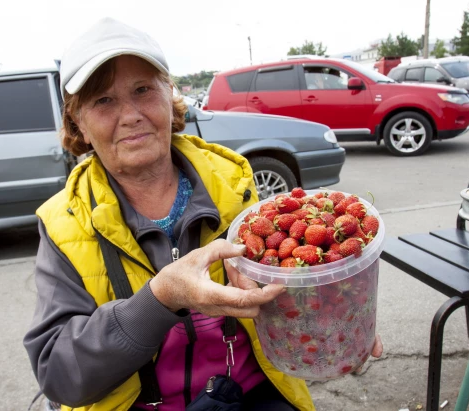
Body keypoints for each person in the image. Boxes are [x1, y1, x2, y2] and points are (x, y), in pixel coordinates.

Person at [23, 17, 382, 411]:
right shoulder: (63, 225)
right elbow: (60, 376)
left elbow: (289, 287)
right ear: (79, 123)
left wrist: (342, 323)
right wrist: (159, 300)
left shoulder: (233, 185)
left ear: (169, 94)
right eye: (103, 101)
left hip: (253, 392)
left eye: (143, 89)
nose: (130, 115)